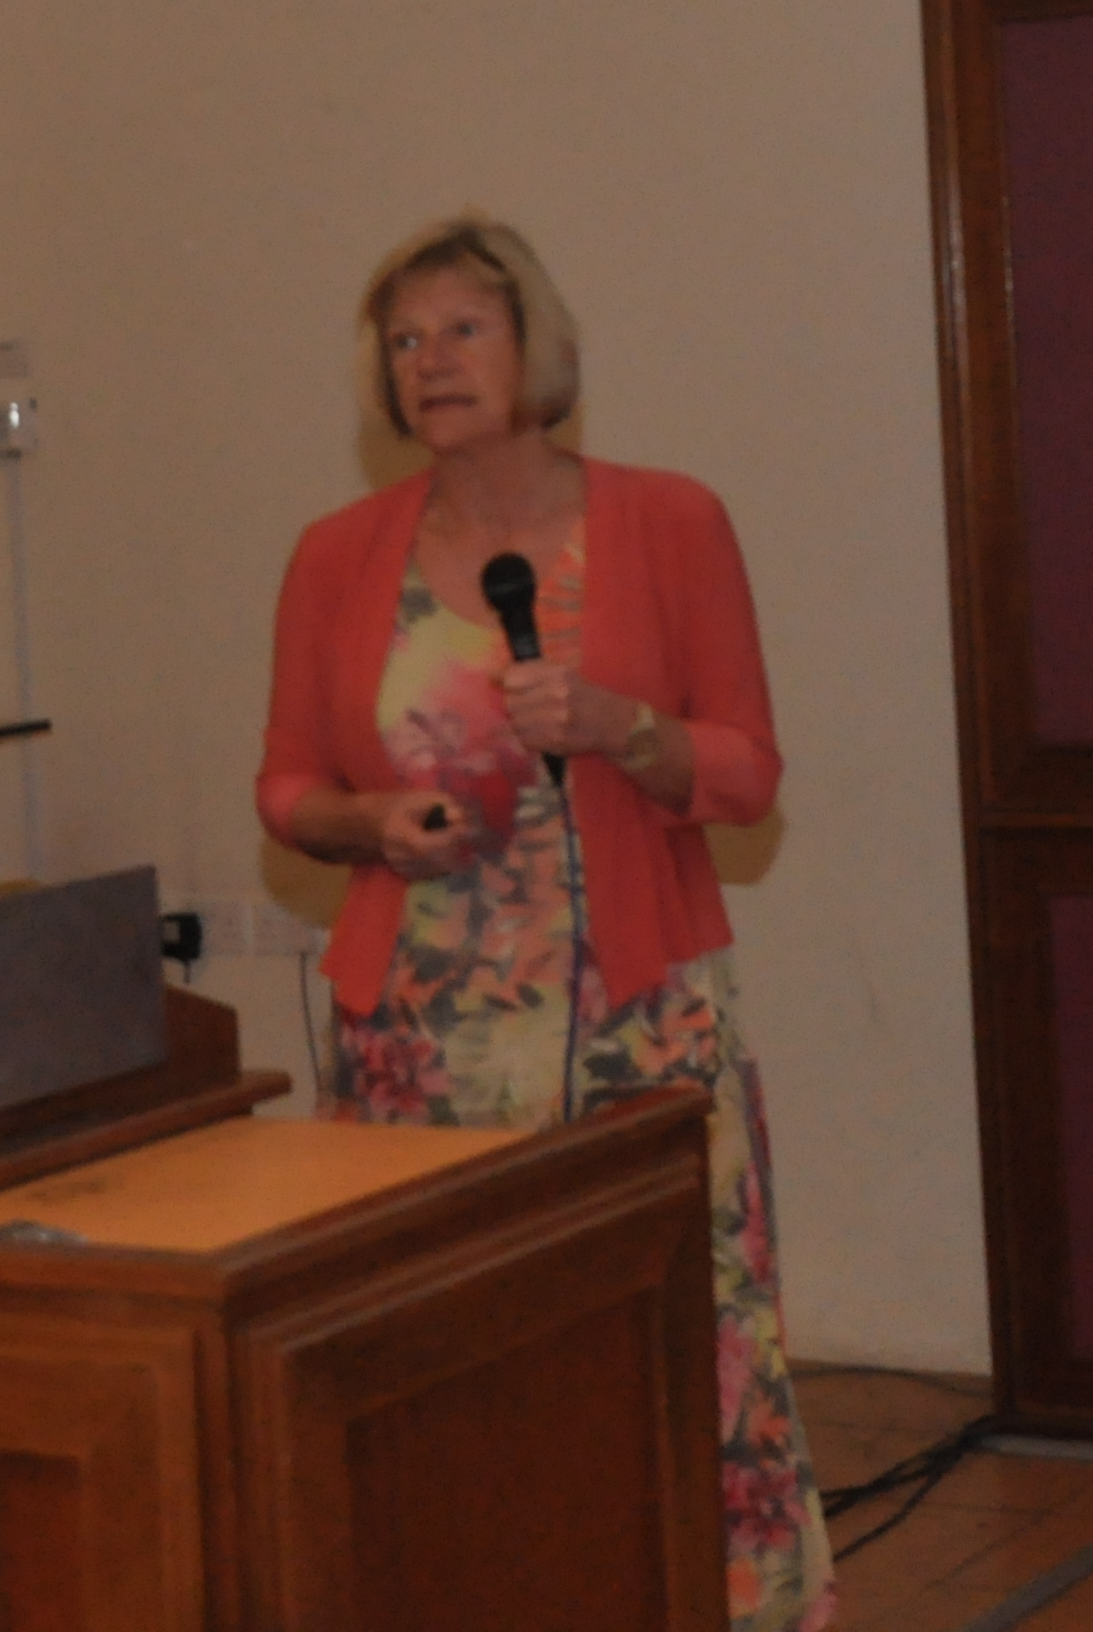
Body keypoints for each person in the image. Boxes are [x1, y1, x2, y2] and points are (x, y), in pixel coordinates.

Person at [258, 214, 836, 1632]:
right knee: (437, 1356)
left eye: (463, 329)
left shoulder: (670, 521)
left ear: (535, 347)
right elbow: (286, 786)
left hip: (640, 1022)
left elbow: (747, 771)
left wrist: (623, 728)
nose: (431, 361)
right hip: (420, 1041)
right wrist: (368, 823)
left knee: (684, 1342)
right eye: (404, 340)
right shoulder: (338, 554)